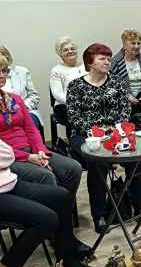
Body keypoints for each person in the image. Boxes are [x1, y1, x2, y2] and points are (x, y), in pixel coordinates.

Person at [67, 43, 141, 233]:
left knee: (135, 157)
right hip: (86, 135)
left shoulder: (117, 83)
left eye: (108, 58)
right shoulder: (76, 86)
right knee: (98, 162)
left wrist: (116, 129)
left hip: (116, 131)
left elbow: (125, 109)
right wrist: (95, 131)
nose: (107, 61)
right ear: (90, 62)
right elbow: (73, 116)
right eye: (102, 58)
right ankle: (100, 215)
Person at [0, 139, 91, 267]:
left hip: (8, 183)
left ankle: (66, 260)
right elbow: (7, 156)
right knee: (47, 219)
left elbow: (7, 154)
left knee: (62, 196)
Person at [0, 55, 82, 202]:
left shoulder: (15, 99)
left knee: (73, 168)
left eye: (4, 71)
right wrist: (28, 157)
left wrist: (41, 151)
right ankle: (51, 220)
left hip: (32, 151)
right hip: (9, 158)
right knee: (45, 175)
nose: (2, 75)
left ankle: (64, 213)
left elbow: (31, 129)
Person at [0, 46, 43, 130]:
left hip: (27, 111)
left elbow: (34, 96)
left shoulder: (22, 71)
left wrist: (22, 108)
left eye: (3, 56)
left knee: (31, 125)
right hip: (2, 114)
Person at [111, 30, 141, 107]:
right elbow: (111, 86)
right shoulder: (115, 62)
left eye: (138, 43)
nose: (136, 46)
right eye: (133, 43)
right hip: (121, 102)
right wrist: (127, 96)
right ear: (124, 45)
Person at [49, 36, 86, 105]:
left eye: (72, 49)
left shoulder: (88, 67)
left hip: (88, 104)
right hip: (65, 105)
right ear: (60, 54)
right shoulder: (56, 71)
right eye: (65, 50)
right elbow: (58, 95)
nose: (70, 51)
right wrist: (76, 103)